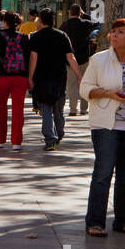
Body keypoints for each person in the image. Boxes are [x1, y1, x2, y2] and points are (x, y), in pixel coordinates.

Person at [79, 18, 125, 236]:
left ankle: (123, 221)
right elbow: (84, 89)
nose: (114, 35)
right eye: (113, 32)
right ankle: (95, 222)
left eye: (120, 32)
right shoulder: (99, 60)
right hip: (105, 124)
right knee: (103, 173)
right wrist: (107, 94)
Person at [27, 9, 82, 152]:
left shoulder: (35, 37)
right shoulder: (62, 35)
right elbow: (71, 58)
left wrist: (30, 77)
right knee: (58, 109)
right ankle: (59, 132)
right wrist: (79, 75)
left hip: (41, 78)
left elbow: (33, 58)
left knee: (45, 109)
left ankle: (50, 139)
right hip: (59, 77)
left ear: (41, 21)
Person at [0, 11, 32, 148]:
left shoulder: (0, 36)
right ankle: (16, 142)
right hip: (20, 78)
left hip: (2, 77)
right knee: (18, 110)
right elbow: (27, 58)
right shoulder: (24, 37)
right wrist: (29, 77)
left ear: (5, 22)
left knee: (0, 109)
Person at [60, 4, 95, 116]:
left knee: (71, 85)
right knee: (85, 83)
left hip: (70, 59)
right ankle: (84, 109)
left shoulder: (64, 25)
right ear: (80, 13)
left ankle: (72, 109)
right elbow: (96, 23)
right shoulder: (85, 23)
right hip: (84, 58)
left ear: (70, 13)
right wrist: (85, 15)